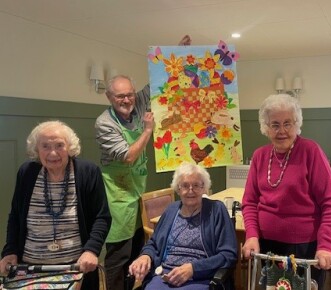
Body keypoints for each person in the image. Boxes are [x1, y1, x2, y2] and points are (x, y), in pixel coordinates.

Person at [95, 35, 191, 290]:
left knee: (140, 255)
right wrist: (148, 131)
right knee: (119, 257)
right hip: (116, 198)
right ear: (109, 97)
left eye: (129, 95)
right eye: (120, 97)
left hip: (137, 192)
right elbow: (128, 156)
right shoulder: (104, 123)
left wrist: (178, 53)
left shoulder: (138, 102)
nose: (127, 101)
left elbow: (161, 81)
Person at [241, 94, 331, 290]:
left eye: (287, 123)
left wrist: (326, 246)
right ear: (266, 127)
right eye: (275, 124)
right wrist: (251, 235)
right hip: (267, 247)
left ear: (297, 124)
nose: (282, 131)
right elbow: (250, 202)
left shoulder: (310, 151)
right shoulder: (260, 156)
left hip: (304, 247)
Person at [0, 120, 111, 289]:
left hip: (75, 268)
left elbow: (101, 217)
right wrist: (10, 250)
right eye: (45, 146)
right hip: (30, 269)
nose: (53, 153)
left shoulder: (88, 171)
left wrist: (91, 250)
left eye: (60, 145)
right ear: (37, 149)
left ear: (70, 147)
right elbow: (15, 216)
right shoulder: (27, 172)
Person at [128, 162, 237, 289]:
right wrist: (145, 255)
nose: (190, 191)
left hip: (200, 277)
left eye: (196, 185)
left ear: (204, 188)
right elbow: (153, 243)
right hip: (165, 273)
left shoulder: (216, 210)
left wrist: (193, 268)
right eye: (185, 186)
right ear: (178, 189)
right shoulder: (171, 210)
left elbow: (229, 255)